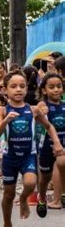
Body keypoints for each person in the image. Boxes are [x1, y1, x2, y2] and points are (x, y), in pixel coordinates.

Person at [0, 70, 60, 227]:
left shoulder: (33, 110)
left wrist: (57, 143)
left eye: (22, 86)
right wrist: (6, 120)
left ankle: (23, 199)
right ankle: (7, 225)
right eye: (13, 86)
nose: (18, 90)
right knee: (8, 194)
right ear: (6, 90)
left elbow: (49, 126)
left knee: (30, 183)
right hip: (9, 157)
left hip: (28, 155)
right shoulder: (2, 109)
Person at [36, 72, 65, 217]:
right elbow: (37, 113)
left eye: (59, 86)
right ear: (44, 90)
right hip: (46, 145)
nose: (56, 90)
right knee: (44, 177)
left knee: (61, 163)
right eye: (52, 87)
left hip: (62, 144)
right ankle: (41, 197)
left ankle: (61, 197)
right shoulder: (43, 104)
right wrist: (42, 111)